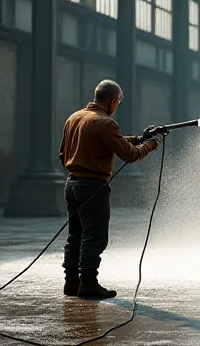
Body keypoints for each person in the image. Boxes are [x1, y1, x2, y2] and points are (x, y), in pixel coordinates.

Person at [59, 79, 163, 299]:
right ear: (113, 101)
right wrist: (153, 144)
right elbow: (130, 155)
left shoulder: (74, 118)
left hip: (72, 184)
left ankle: (71, 283)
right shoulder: (105, 123)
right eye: (118, 103)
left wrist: (140, 138)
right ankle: (88, 284)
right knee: (94, 237)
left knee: (75, 235)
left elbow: (64, 153)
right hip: (93, 187)